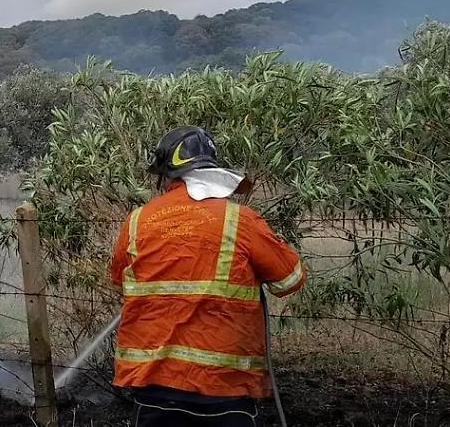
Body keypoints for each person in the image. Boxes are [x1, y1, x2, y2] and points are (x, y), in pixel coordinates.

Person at [108, 126, 307, 426]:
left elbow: (119, 281)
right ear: (211, 170)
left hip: (154, 387)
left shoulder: (137, 221)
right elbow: (290, 279)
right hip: (223, 390)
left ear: (166, 175)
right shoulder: (241, 220)